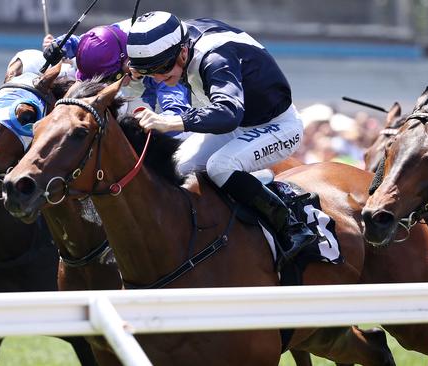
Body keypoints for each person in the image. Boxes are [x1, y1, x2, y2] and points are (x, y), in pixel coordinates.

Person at [125, 11, 317, 266]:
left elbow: (228, 114)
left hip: (278, 126)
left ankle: (292, 225)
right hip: (237, 123)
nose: (159, 78)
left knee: (220, 166)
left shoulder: (215, 57)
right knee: (177, 167)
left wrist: (169, 121)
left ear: (183, 50)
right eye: (149, 72)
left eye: (161, 68)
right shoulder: (176, 40)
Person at [42, 20, 191, 118]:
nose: (106, 87)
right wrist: (58, 46)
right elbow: (77, 42)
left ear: (128, 61)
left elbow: (178, 114)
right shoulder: (109, 38)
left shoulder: (160, 64)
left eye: (110, 80)